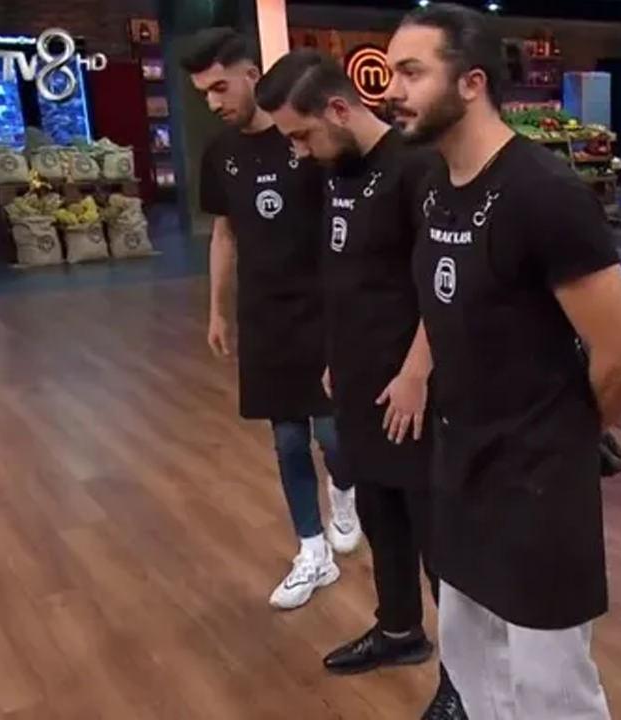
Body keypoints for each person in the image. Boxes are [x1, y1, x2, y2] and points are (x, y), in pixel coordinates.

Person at [385, 5, 621, 718]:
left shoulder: (544, 194)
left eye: (412, 72)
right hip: (460, 464)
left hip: (537, 482)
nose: (393, 90)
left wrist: (566, 438)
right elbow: (447, 308)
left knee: (549, 684)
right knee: (470, 660)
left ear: (471, 83)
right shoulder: (434, 185)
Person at [255, 50, 464, 719]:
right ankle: (399, 631)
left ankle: (464, 679)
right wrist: (334, 356)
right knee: (380, 514)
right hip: (356, 379)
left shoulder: (417, 169)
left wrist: (417, 371)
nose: (298, 151)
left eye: (301, 135)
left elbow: (443, 284)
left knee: (438, 541)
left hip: (412, 388)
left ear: (340, 110)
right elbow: (345, 272)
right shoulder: (336, 171)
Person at [183, 28, 361, 611]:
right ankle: (312, 550)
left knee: (333, 433)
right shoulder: (220, 154)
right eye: (204, 94)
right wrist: (217, 309)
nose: (213, 102)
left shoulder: (304, 139)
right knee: (287, 439)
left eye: (219, 88)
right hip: (264, 315)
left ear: (250, 75)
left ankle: (345, 490)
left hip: (323, 308)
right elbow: (225, 233)